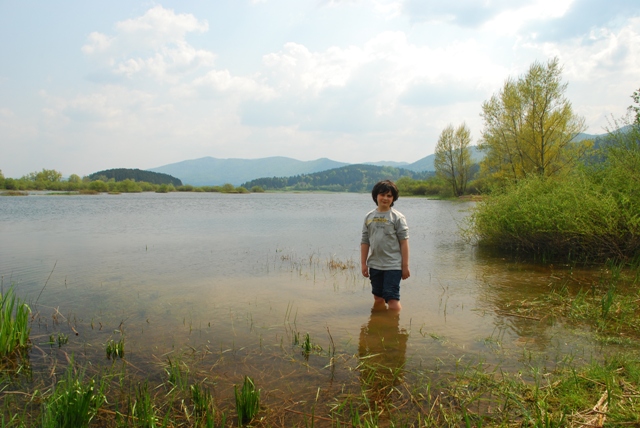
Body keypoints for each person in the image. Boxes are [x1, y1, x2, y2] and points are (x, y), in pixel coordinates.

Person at [360, 180, 410, 311]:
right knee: (378, 297)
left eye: (389, 196)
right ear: (376, 196)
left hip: (393, 265)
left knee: (392, 299)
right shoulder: (369, 217)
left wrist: (405, 266)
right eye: (382, 195)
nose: (385, 198)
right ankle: (379, 325)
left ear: (393, 198)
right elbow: (365, 241)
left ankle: (393, 329)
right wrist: (363, 263)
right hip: (375, 265)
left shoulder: (397, 217)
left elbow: (404, 242)